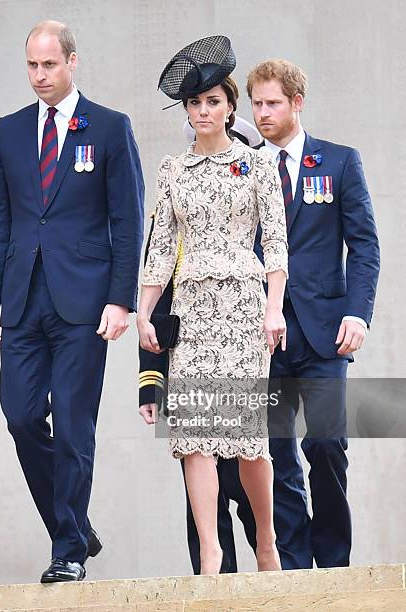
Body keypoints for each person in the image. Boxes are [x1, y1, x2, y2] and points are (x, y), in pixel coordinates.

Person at [0, 20, 144, 582]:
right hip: (22, 298)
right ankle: (73, 524)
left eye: (49, 65)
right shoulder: (9, 131)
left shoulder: (111, 128)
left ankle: (67, 550)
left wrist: (121, 300)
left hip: (84, 303)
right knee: (21, 417)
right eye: (31, 65)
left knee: (73, 425)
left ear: (72, 61)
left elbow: (128, 220)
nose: (39, 76)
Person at [137, 36, 288, 575]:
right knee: (195, 438)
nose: (204, 112)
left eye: (213, 102)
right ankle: (210, 550)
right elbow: (158, 251)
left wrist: (274, 310)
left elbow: (275, 248)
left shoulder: (256, 167)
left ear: (230, 106)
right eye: (194, 104)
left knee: (249, 442)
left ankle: (266, 539)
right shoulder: (172, 170)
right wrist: (143, 312)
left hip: (245, 309)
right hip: (193, 310)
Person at [244, 59, 381, 569]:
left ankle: (334, 564)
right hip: (263, 334)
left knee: (325, 446)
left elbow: (364, 245)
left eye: (272, 103)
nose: (262, 113)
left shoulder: (340, 162)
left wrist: (358, 314)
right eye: (256, 103)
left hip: (326, 332)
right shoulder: (243, 166)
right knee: (274, 455)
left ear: (297, 102)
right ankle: (296, 569)